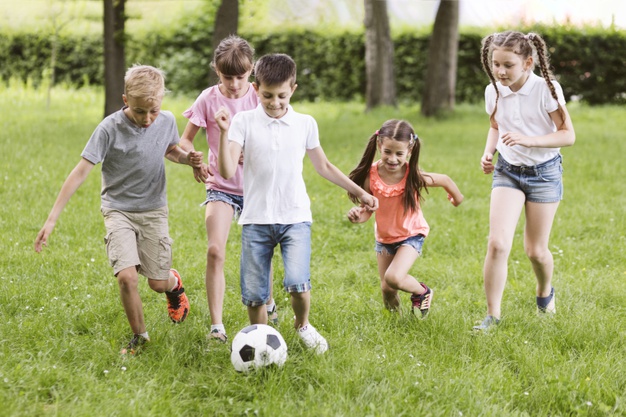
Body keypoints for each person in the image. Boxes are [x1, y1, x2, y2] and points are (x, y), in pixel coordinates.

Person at [215, 53, 378, 354]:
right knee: (254, 295)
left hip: (295, 217)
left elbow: (324, 166)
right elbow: (226, 170)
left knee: (297, 283)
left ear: (294, 89)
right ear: (255, 89)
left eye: (282, 95)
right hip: (255, 219)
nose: (275, 102)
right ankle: (262, 339)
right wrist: (225, 133)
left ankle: (302, 325)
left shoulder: (305, 123)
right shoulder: (243, 121)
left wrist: (360, 191)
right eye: (267, 95)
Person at [34, 65, 203, 355]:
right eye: (139, 112)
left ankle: (174, 287)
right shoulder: (109, 129)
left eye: (154, 111)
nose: (147, 119)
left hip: (153, 210)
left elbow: (171, 150)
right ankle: (140, 337)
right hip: (118, 211)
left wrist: (190, 159)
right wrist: (51, 220)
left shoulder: (165, 121)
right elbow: (80, 172)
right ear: (125, 99)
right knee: (127, 277)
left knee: (157, 283)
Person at [474, 31, 575, 331]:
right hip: (508, 170)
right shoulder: (493, 90)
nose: (501, 71)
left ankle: (545, 292)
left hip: (544, 173)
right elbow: (495, 124)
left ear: (528, 63)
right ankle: (492, 315)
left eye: (508, 65)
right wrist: (488, 151)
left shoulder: (546, 89)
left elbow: (567, 135)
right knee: (497, 243)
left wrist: (528, 140)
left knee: (535, 251)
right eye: (495, 64)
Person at [179, 35, 277, 344]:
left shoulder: (261, 97)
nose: (234, 83)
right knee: (215, 251)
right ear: (216, 71)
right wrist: (192, 158)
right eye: (227, 76)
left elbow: (279, 135)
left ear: (251, 71)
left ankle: (269, 300)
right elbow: (185, 141)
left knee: (260, 255)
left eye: (241, 76)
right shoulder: (208, 99)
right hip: (220, 186)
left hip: (256, 188)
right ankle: (217, 327)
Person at [346, 120, 464, 316]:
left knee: (393, 277)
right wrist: (359, 215)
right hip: (384, 238)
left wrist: (456, 199)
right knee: (387, 289)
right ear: (379, 146)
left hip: (411, 234)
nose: (393, 159)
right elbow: (367, 210)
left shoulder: (412, 176)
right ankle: (396, 324)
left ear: (409, 151)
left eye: (399, 154)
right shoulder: (371, 177)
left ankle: (422, 292)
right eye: (388, 152)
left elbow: (444, 179)